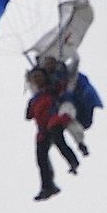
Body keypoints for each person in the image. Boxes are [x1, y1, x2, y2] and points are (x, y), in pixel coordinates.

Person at [25, 66, 79, 201]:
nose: (37, 79)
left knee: (59, 141)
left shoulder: (53, 89)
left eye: (39, 76)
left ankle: (73, 162)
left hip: (54, 122)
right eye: (34, 78)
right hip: (42, 131)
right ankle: (48, 187)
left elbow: (65, 82)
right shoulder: (34, 99)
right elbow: (29, 115)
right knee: (41, 159)